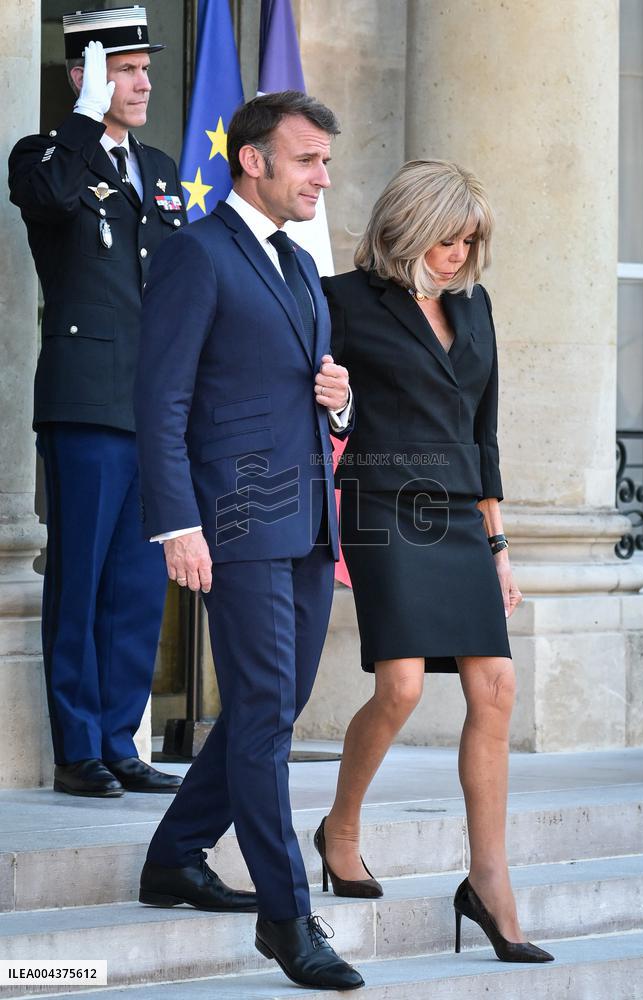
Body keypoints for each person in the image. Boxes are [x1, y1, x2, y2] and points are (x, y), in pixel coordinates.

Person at [133, 92, 363, 992]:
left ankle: (175, 856)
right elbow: (160, 403)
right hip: (231, 521)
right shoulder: (196, 253)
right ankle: (286, 915)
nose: (322, 178)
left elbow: (314, 393)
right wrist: (177, 521)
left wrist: (339, 400)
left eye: (326, 163)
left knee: (275, 703)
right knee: (267, 712)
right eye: (307, 160)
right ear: (253, 161)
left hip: (305, 519)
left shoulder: (300, 264)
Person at [317, 159, 554, 963]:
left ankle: (489, 882)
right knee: (404, 685)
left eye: (469, 241)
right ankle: (340, 825)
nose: (457, 255)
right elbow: (321, 406)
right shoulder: (342, 300)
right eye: (446, 238)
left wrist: (500, 548)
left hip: (459, 515)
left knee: (497, 686)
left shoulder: (474, 305)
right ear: (407, 227)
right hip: (385, 508)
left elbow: (482, 435)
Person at [7, 8, 182, 798]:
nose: (143, 83)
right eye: (126, 69)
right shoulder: (48, 156)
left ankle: (119, 736)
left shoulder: (165, 169)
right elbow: (45, 198)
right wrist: (81, 122)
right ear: (84, 77)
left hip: (155, 407)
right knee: (78, 578)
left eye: (146, 69)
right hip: (85, 401)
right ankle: (79, 747)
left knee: (140, 586)